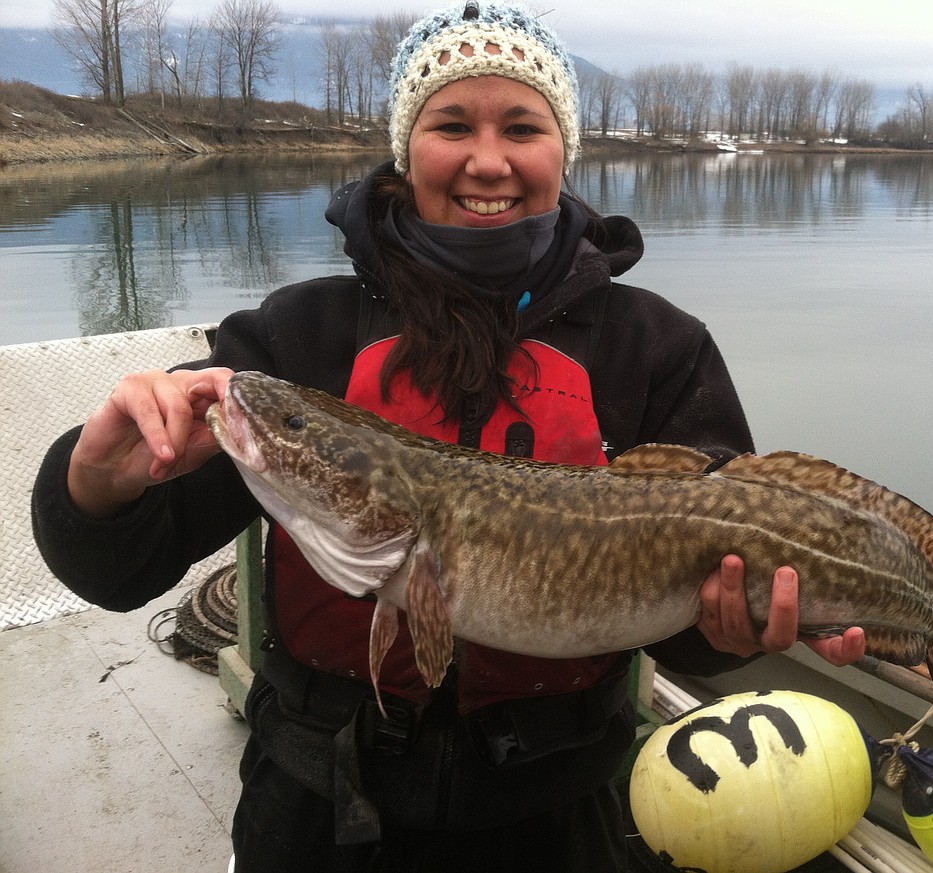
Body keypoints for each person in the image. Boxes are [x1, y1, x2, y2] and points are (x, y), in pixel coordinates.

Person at [31, 3, 865, 870]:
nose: (488, 160)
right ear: (407, 145)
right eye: (452, 124)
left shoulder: (655, 348)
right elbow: (113, 573)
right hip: (317, 807)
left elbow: (691, 628)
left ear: (562, 148)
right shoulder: (297, 338)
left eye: (522, 126)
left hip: (558, 814)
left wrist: (728, 635)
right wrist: (99, 485)